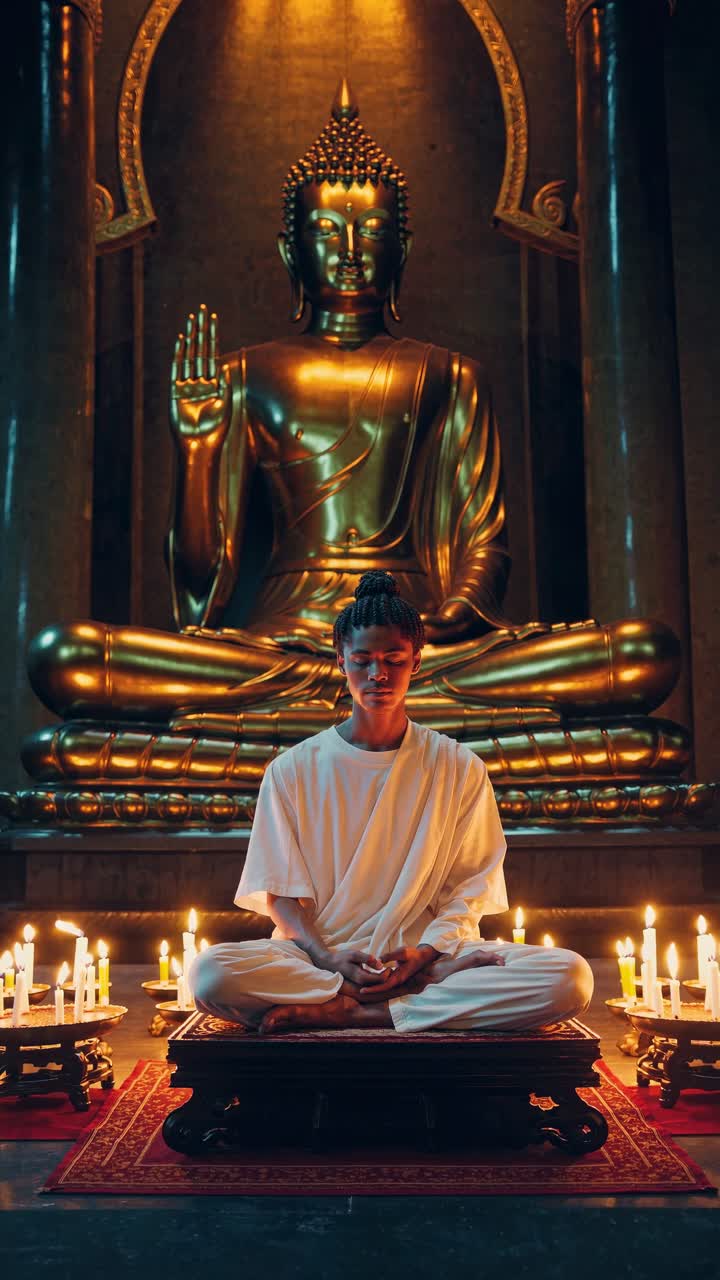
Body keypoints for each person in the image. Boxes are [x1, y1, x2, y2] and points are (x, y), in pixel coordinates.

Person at [189, 570, 593, 1034]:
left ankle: (366, 1010)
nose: (377, 675)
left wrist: (425, 954)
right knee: (210, 975)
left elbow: (469, 889)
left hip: (426, 953)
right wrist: (329, 957)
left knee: (570, 978)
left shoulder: (457, 766)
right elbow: (280, 896)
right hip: (321, 956)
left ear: (417, 662)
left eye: (393, 660)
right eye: (362, 661)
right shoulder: (292, 769)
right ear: (340, 661)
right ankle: (415, 997)